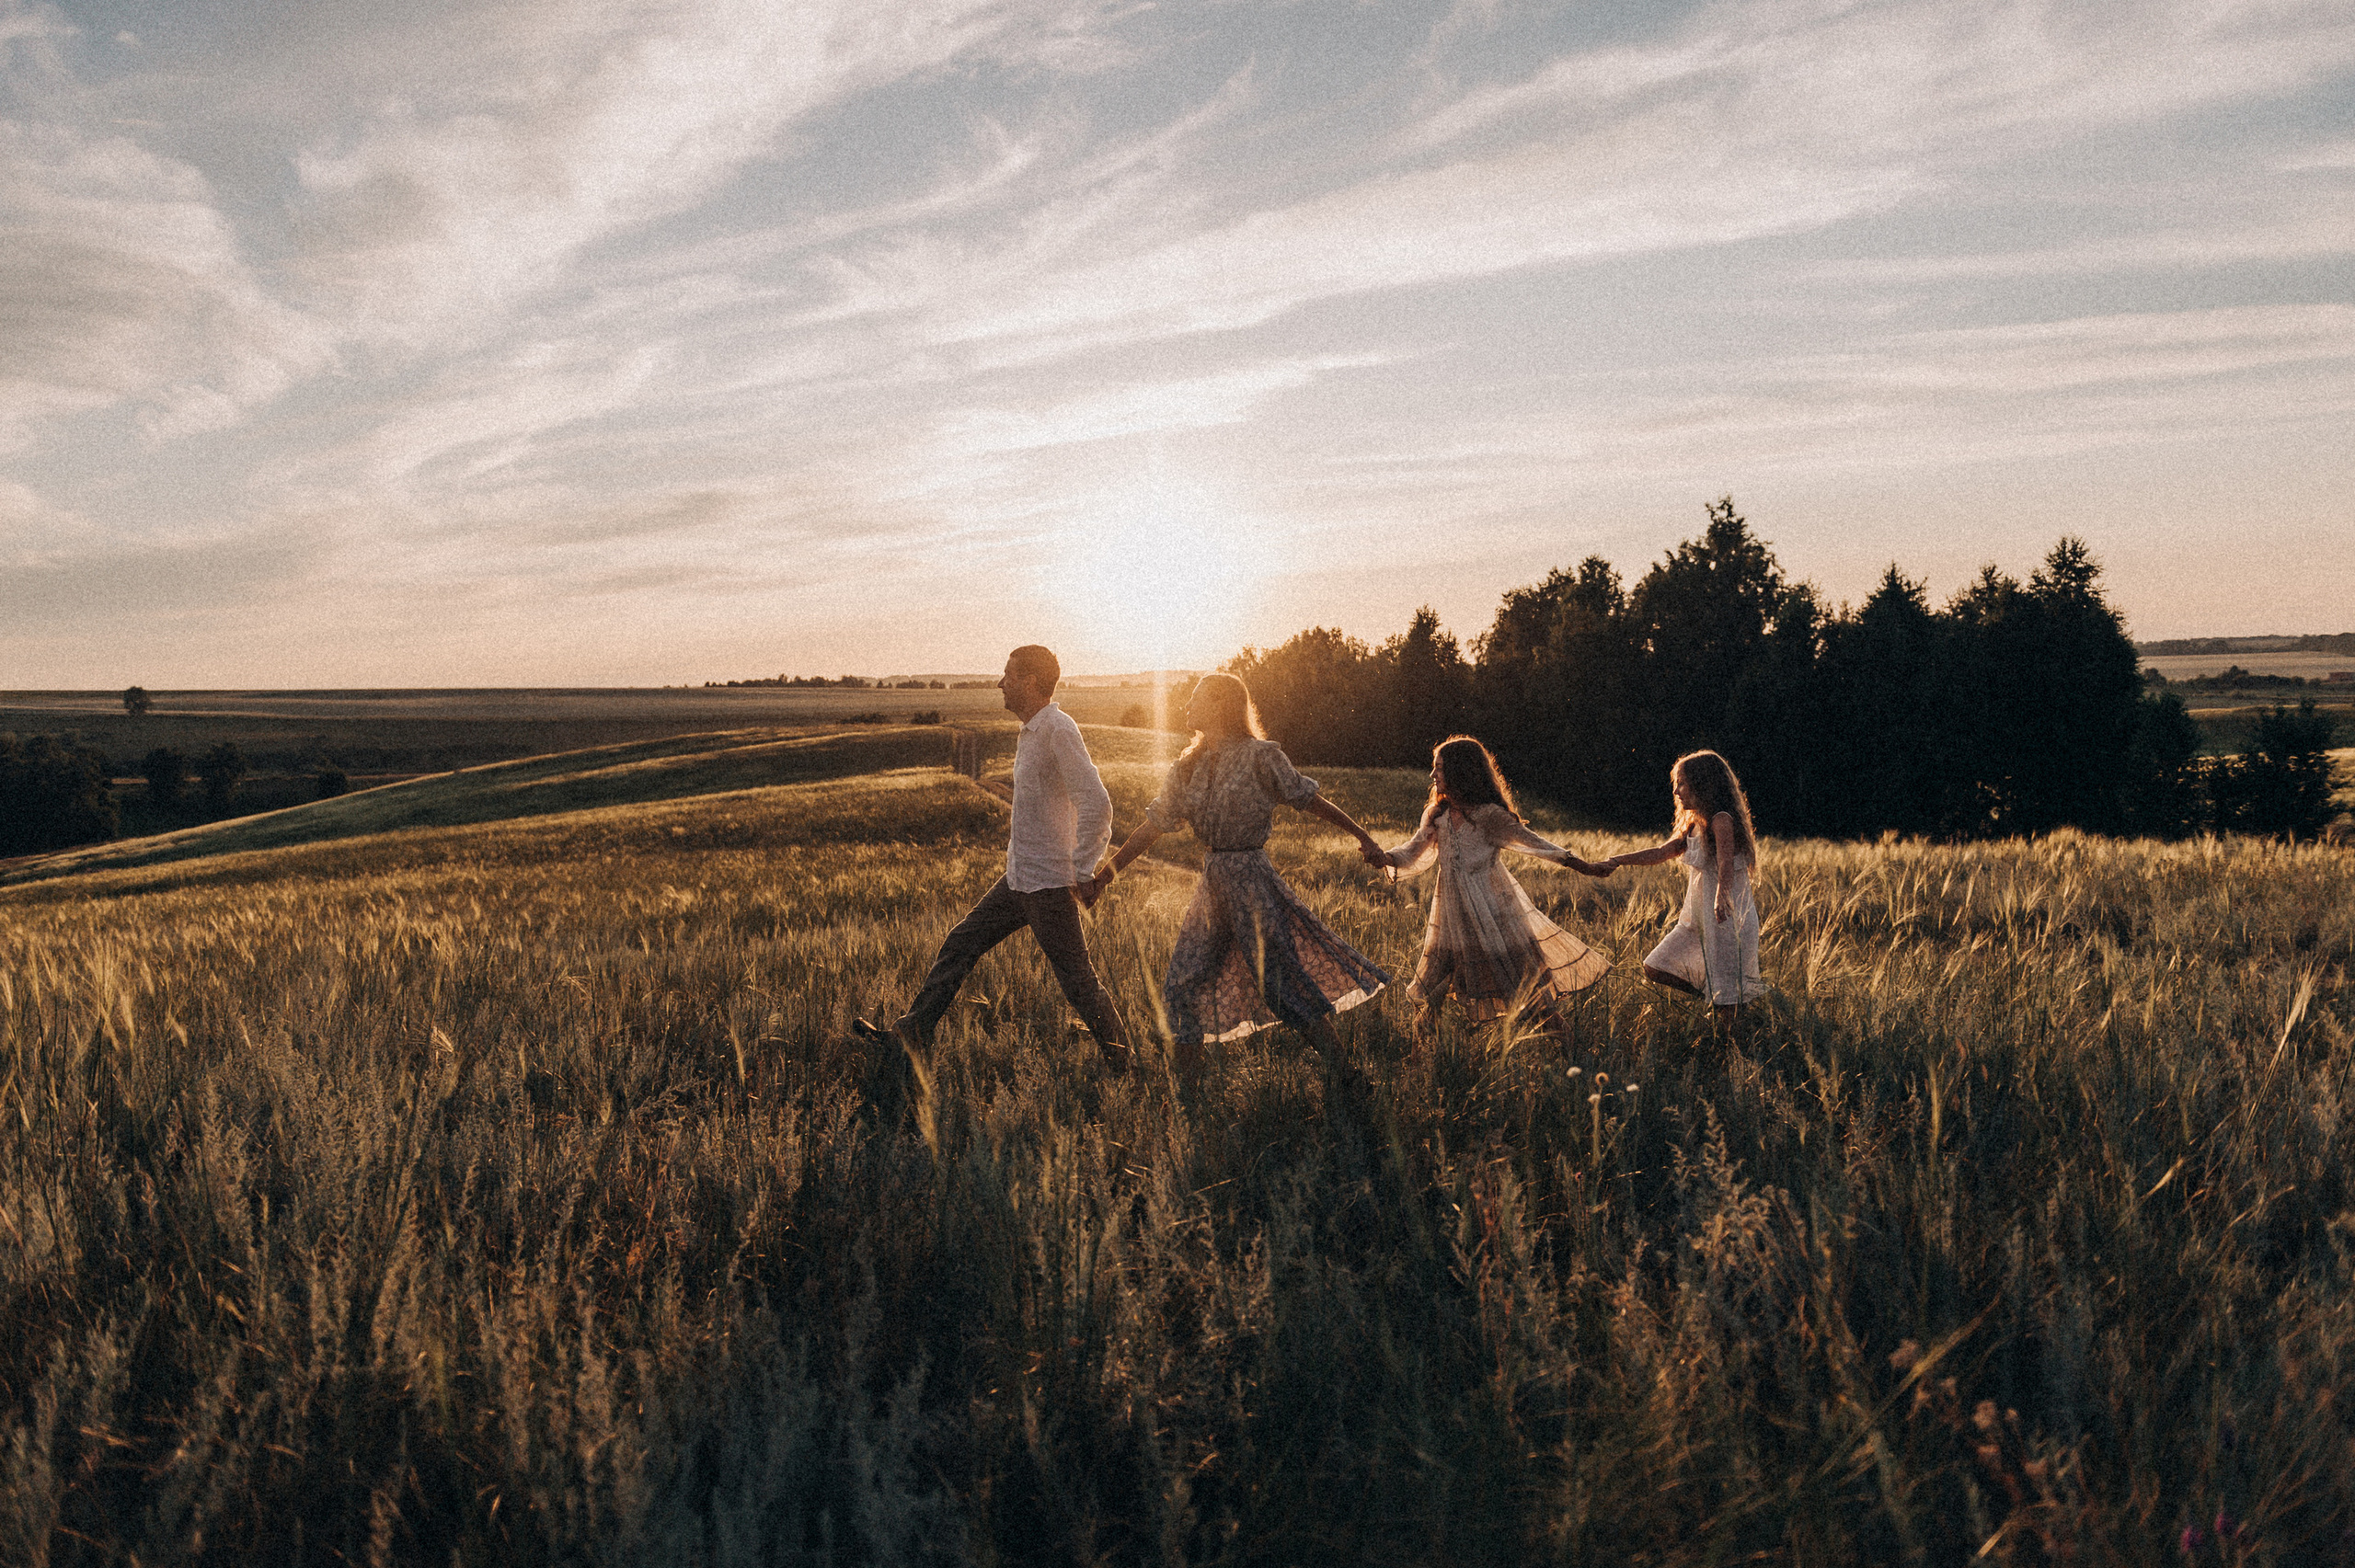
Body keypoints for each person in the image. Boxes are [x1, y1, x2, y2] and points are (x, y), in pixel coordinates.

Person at [1085, 673, 1388, 1071]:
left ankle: (1346, 1075)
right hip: (1212, 885)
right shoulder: (1187, 767)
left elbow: (1309, 800)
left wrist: (1362, 835)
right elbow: (1153, 826)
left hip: (1251, 881)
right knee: (1182, 984)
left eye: (1196, 699)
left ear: (1221, 706)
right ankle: (1186, 1093)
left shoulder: (1261, 756)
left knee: (1280, 984)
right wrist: (1105, 876)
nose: (1186, 706)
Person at [856, 645, 1132, 1069]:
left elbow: (1097, 802)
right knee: (961, 943)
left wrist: (1082, 870)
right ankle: (909, 1038)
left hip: (1049, 886)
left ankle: (1127, 1066)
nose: (1000, 683)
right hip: (1018, 880)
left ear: (1031, 682)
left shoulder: (1058, 729)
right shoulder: (1031, 732)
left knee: (1079, 982)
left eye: (1008, 675)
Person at [1379, 736, 1614, 1038]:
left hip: (1495, 919)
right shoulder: (1437, 816)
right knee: (1431, 995)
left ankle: (1573, 1051)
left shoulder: (1489, 816)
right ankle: (1417, 1065)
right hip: (1453, 922)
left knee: (1531, 1000)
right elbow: (1412, 852)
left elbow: (1537, 845)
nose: (1432, 775)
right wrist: (1382, 857)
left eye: (1438, 768)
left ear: (1460, 772)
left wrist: (1586, 867)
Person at [1607, 749, 1767, 1028]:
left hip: (1728, 918)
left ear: (1703, 784)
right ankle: (1721, 1000)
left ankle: (1731, 1024)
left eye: (1682, 783)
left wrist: (1721, 897)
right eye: (1676, 784)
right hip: (1696, 919)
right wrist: (1617, 861)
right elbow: (1661, 851)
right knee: (1654, 965)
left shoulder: (1721, 819)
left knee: (1727, 1013)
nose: (1677, 791)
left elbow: (1725, 863)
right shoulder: (1693, 822)